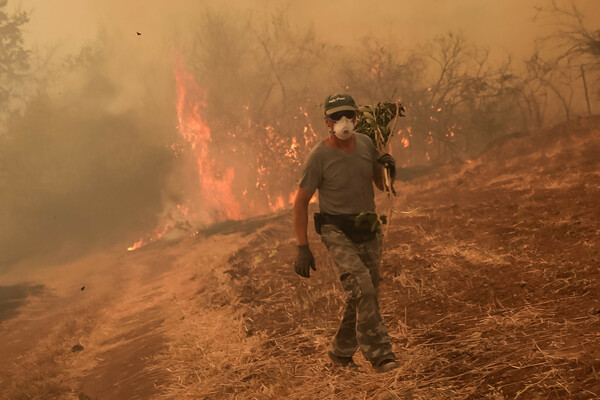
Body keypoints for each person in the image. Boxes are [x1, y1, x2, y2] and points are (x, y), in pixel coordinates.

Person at [292, 93, 398, 373]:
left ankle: (340, 352)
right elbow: (300, 202)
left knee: (364, 293)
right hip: (336, 229)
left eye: (348, 115)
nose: (343, 122)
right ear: (327, 122)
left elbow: (380, 184)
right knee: (362, 288)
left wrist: (387, 168)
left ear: (357, 118)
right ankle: (382, 355)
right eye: (336, 117)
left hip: (368, 227)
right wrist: (303, 247)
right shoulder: (318, 157)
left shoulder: (366, 144)